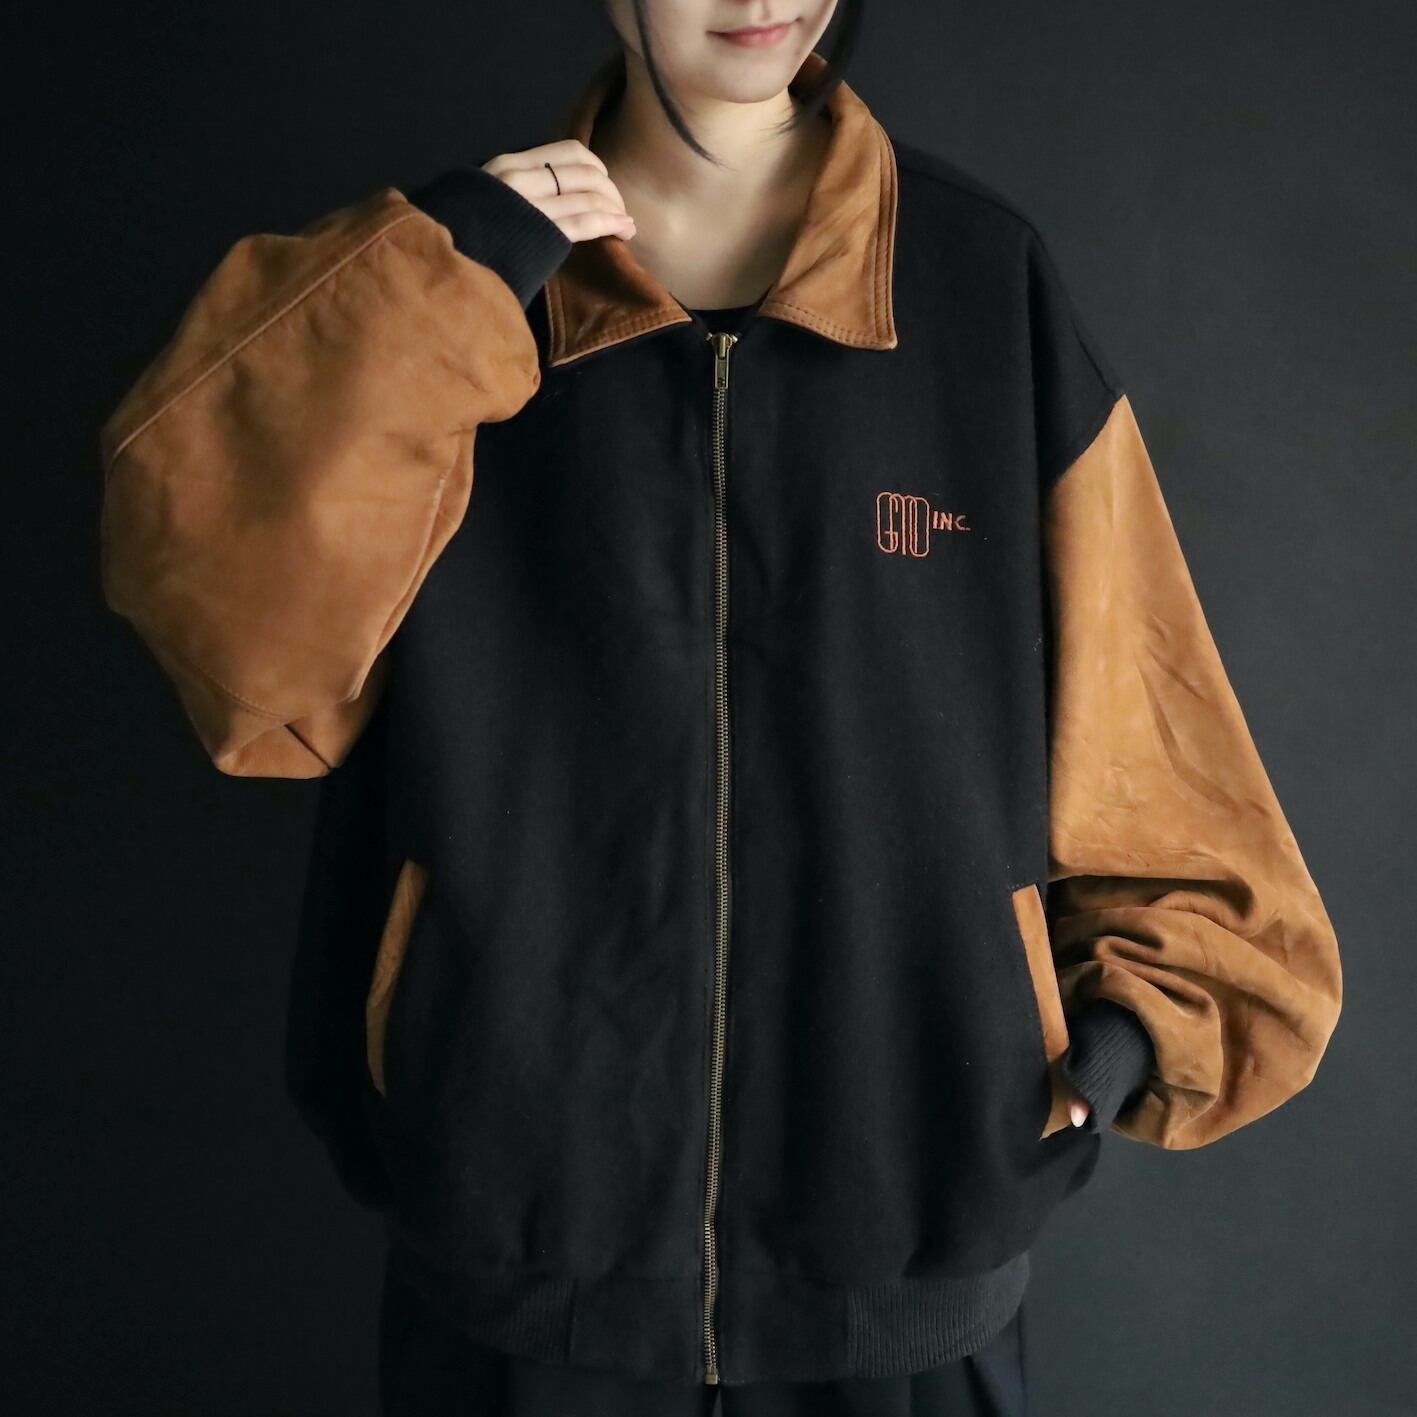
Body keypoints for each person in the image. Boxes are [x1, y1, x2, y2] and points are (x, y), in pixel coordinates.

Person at [96, 1, 1344, 1412]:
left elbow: (1149, 716)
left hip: (906, 1265)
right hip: (516, 1262)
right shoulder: (435, 290)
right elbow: (245, 662)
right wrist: (443, 279)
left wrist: (1112, 1041)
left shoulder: (973, 281)